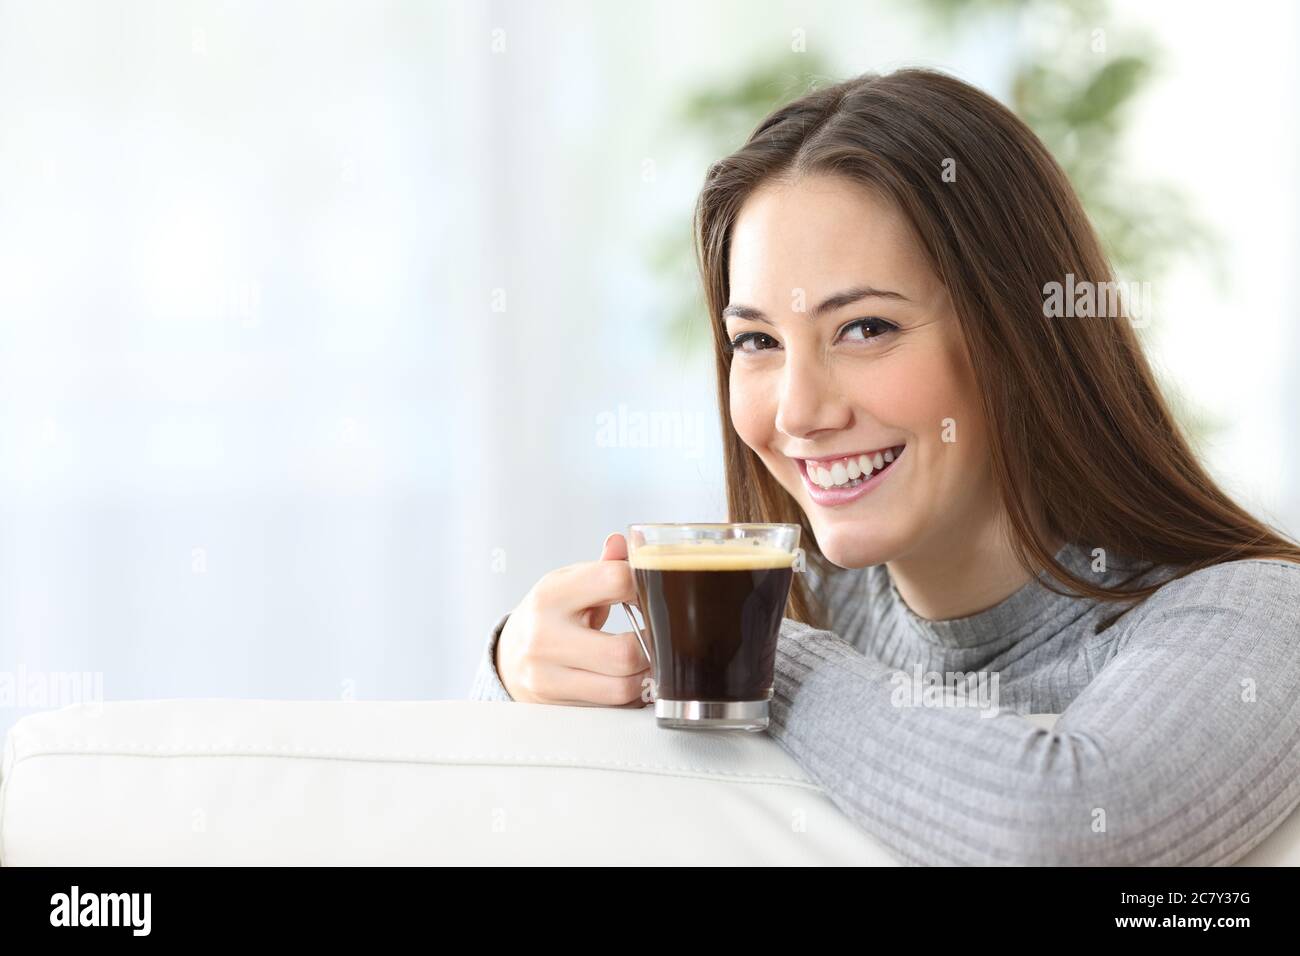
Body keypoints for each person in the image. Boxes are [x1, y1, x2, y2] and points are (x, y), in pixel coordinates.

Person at [469, 69, 1300, 865]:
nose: (798, 412)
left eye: (865, 328)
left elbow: (1066, 832)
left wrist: (734, 650)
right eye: (756, 341)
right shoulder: (821, 608)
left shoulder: (1255, 618)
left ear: (1018, 337)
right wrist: (516, 673)